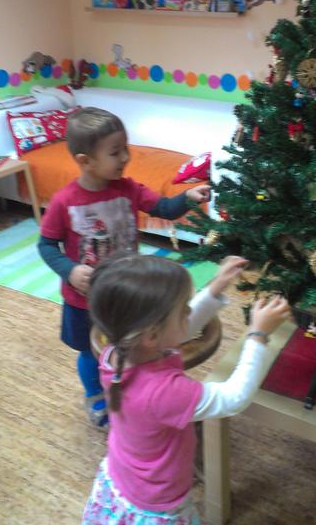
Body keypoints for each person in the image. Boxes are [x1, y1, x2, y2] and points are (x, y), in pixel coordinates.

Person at [82, 252, 290, 525]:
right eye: (183, 310)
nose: (189, 312)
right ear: (151, 335)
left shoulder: (118, 349)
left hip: (122, 476)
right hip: (157, 502)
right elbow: (233, 398)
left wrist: (215, 289)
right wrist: (258, 336)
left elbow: (175, 330)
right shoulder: (164, 392)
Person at [37, 107, 210, 429]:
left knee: (131, 345)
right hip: (83, 300)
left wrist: (187, 197)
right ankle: (96, 395)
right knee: (89, 352)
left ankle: (134, 388)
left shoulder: (129, 189)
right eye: (115, 152)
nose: (126, 157)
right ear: (85, 161)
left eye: (125, 148)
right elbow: (46, 245)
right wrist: (69, 270)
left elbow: (164, 208)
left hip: (128, 295)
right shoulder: (64, 201)